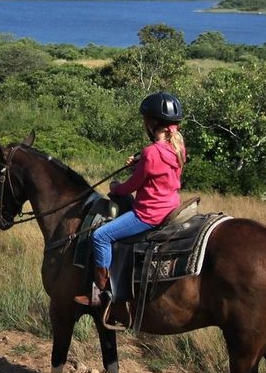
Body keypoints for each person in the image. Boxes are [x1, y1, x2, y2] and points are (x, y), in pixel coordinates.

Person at [76, 91, 186, 324]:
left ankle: (102, 291)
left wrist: (116, 188)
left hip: (148, 213)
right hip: (170, 206)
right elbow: (158, 169)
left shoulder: (151, 152)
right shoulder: (178, 146)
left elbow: (131, 186)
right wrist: (139, 162)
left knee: (100, 236)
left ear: (151, 122)